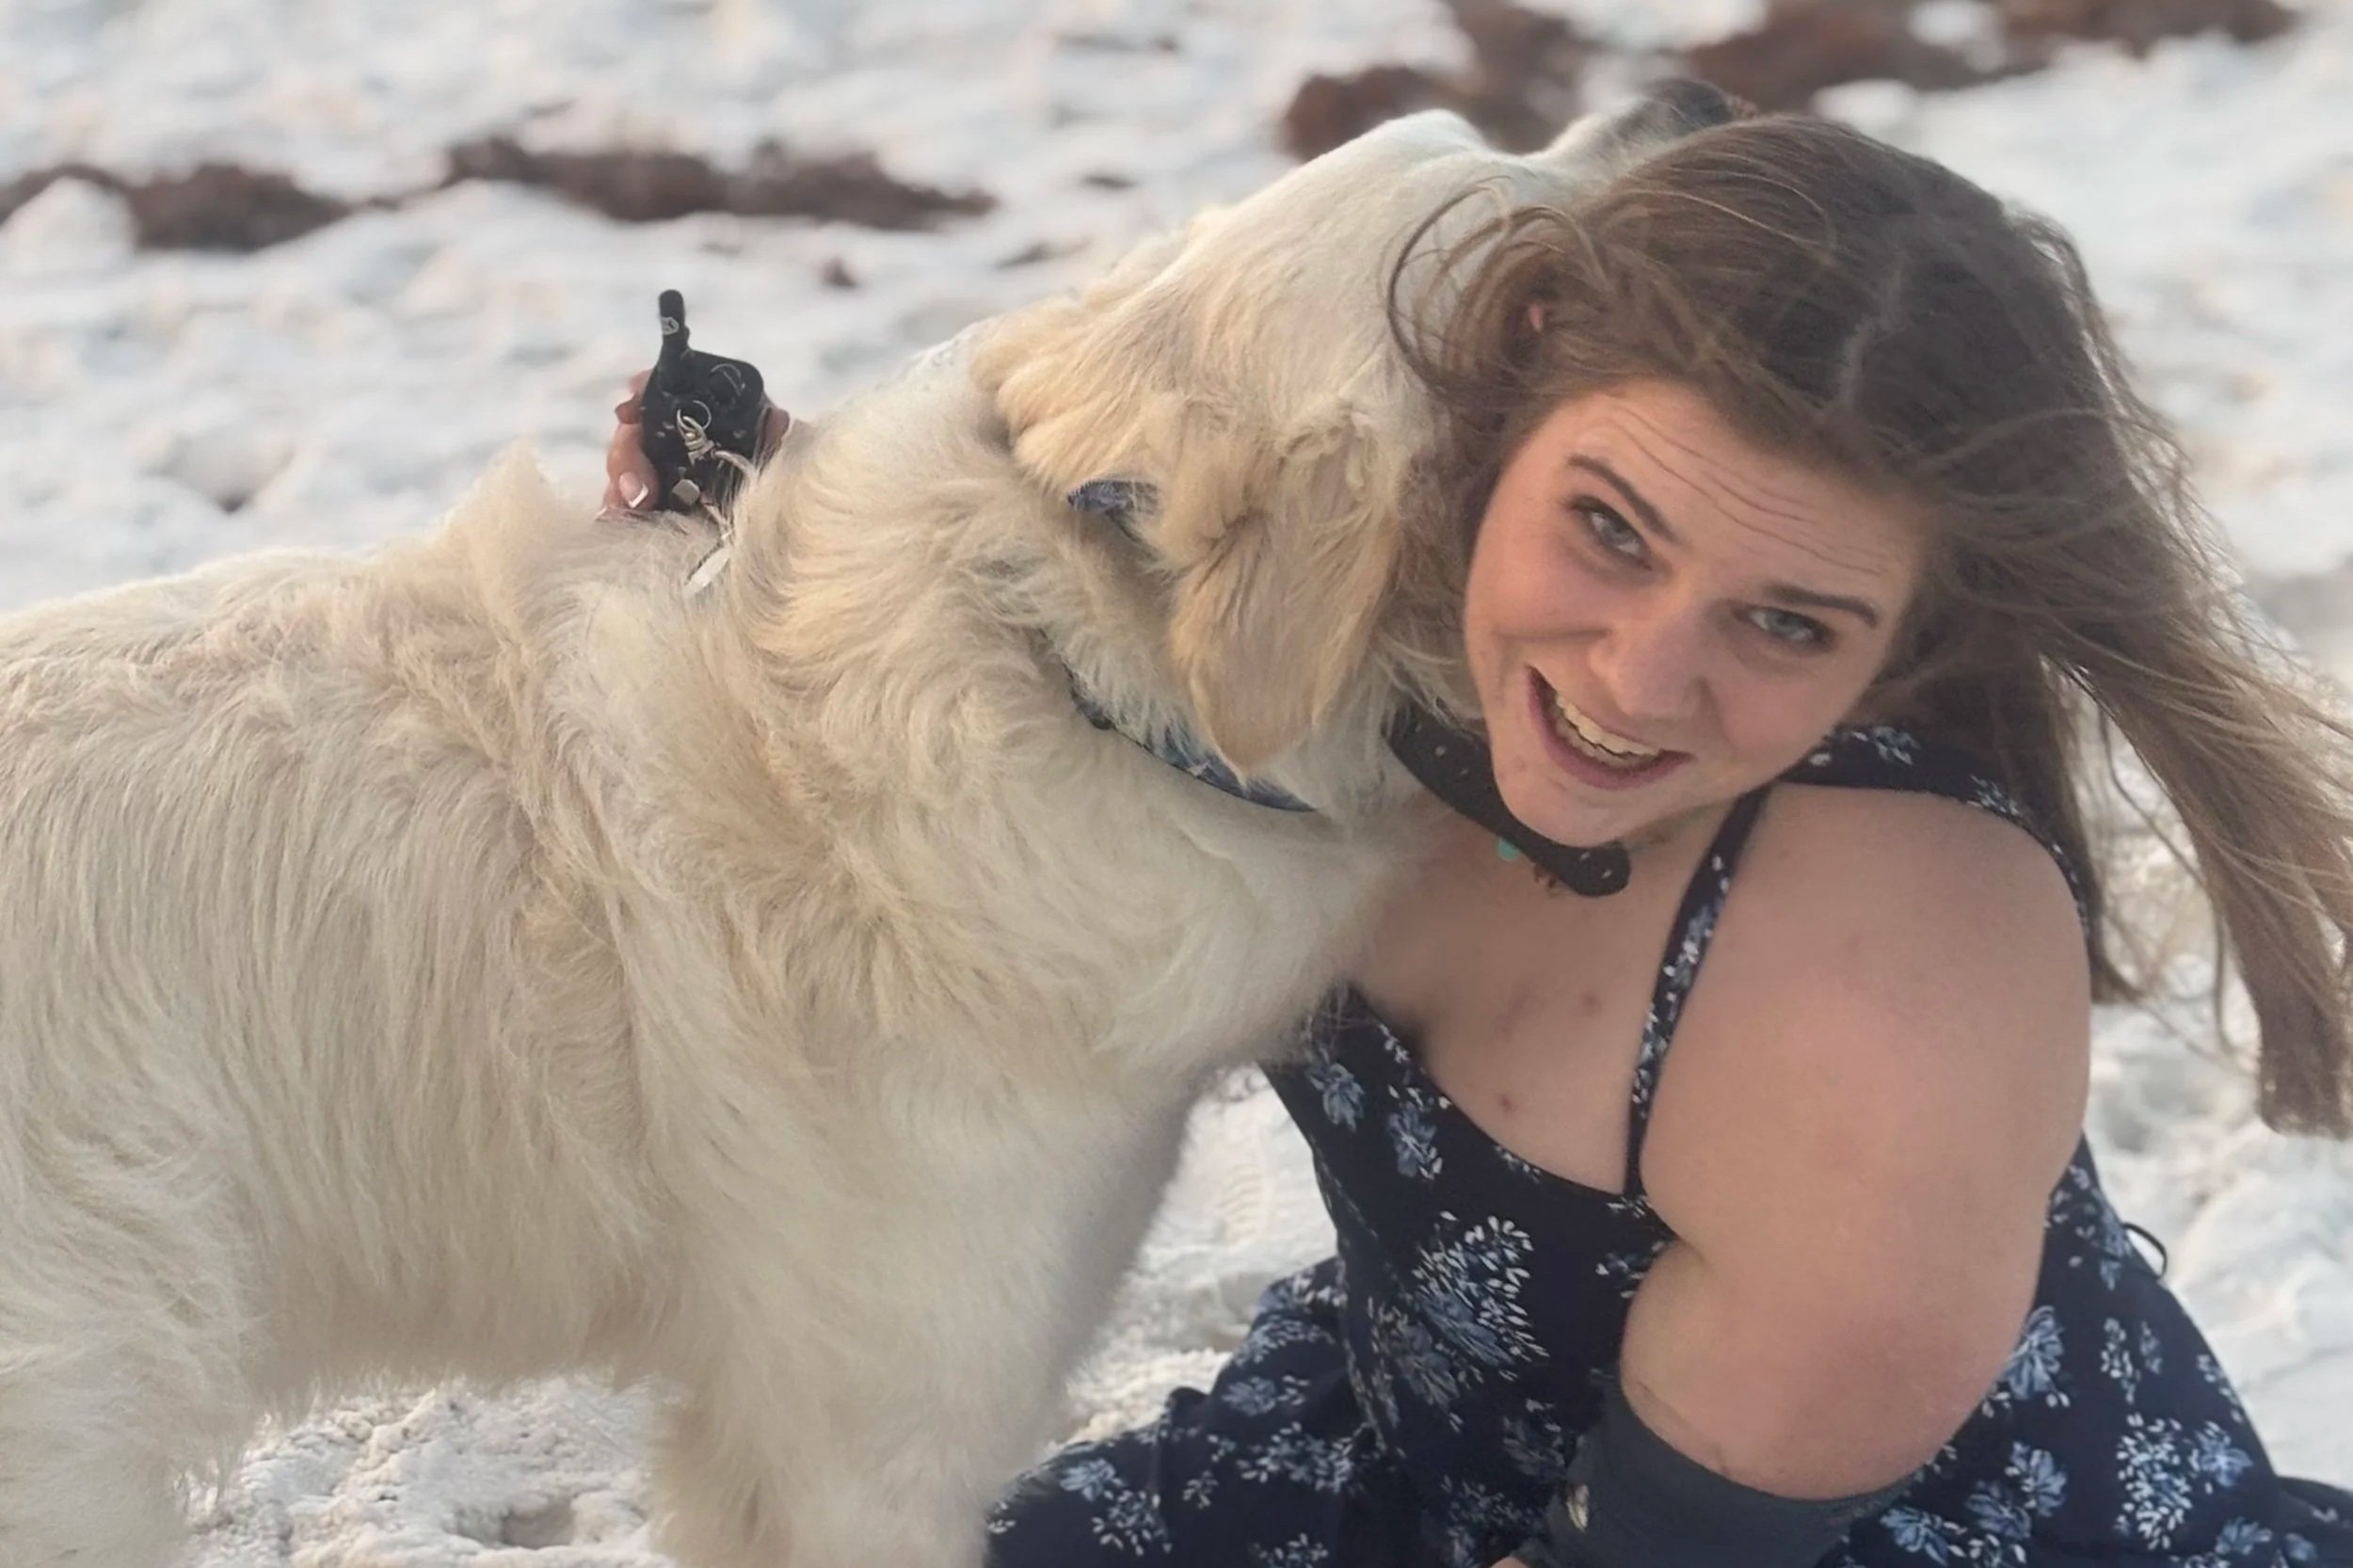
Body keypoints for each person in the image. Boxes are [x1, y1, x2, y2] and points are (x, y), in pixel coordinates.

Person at [603, 108, 2353, 1567]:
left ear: (1908, 644)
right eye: (1609, 526)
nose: (1634, 679)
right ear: (1484, 442)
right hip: (1411, 1444)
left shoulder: (1882, 1010)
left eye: (1790, 626)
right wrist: (771, 479)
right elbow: (1085, 614)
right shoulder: (1377, 656)